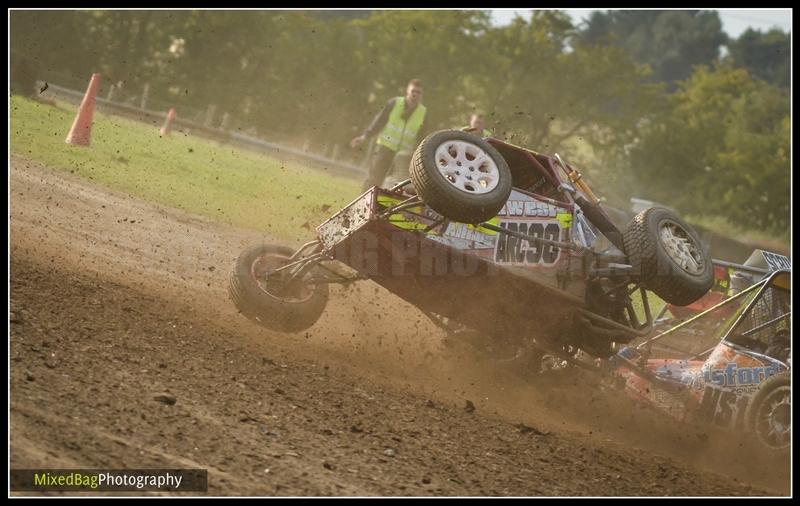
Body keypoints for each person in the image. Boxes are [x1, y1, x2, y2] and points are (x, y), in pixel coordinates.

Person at [351, 79, 428, 191]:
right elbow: (379, 121)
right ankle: (362, 206)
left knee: (394, 186)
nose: (415, 94)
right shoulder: (394, 103)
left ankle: (382, 208)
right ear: (407, 91)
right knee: (373, 179)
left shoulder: (423, 112)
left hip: (402, 157)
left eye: (418, 92)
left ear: (422, 95)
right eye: (413, 91)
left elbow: (422, 136)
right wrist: (365, 136)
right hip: (384, 149)